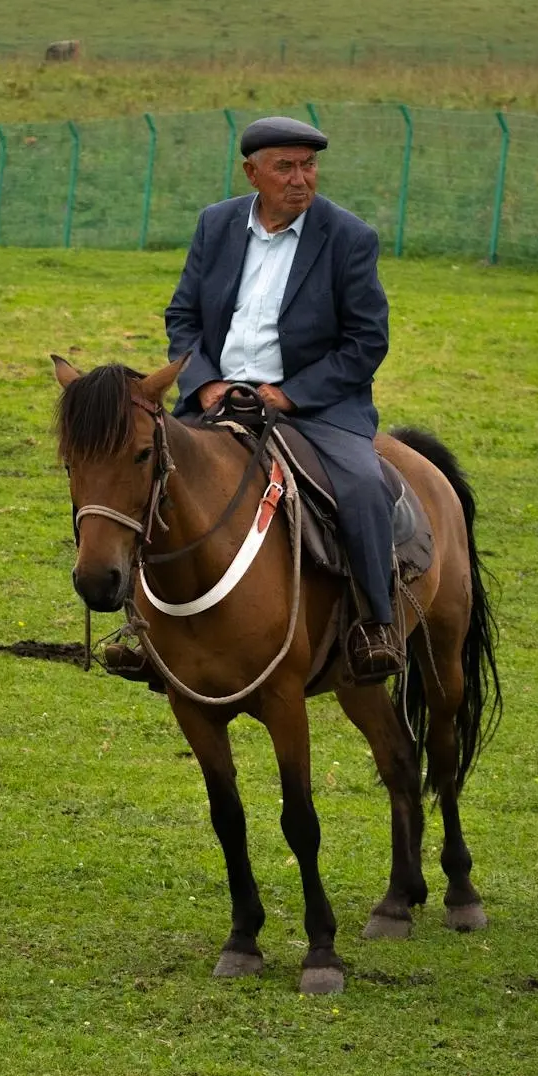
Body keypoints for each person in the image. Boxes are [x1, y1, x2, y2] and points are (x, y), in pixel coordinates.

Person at [162, 115, 405, 682]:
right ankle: (142, 622)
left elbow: (367, 341)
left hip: (316, 408)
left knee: (362, 484)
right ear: (252, 174)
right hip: (217, 397)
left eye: (309, 166)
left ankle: (375, 623)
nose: (300, 179)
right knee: (146, 474)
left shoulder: (349, 238)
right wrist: (205, 382)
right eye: (285, 168)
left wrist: (291, 394)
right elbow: (183, 315)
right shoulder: (217, 224)